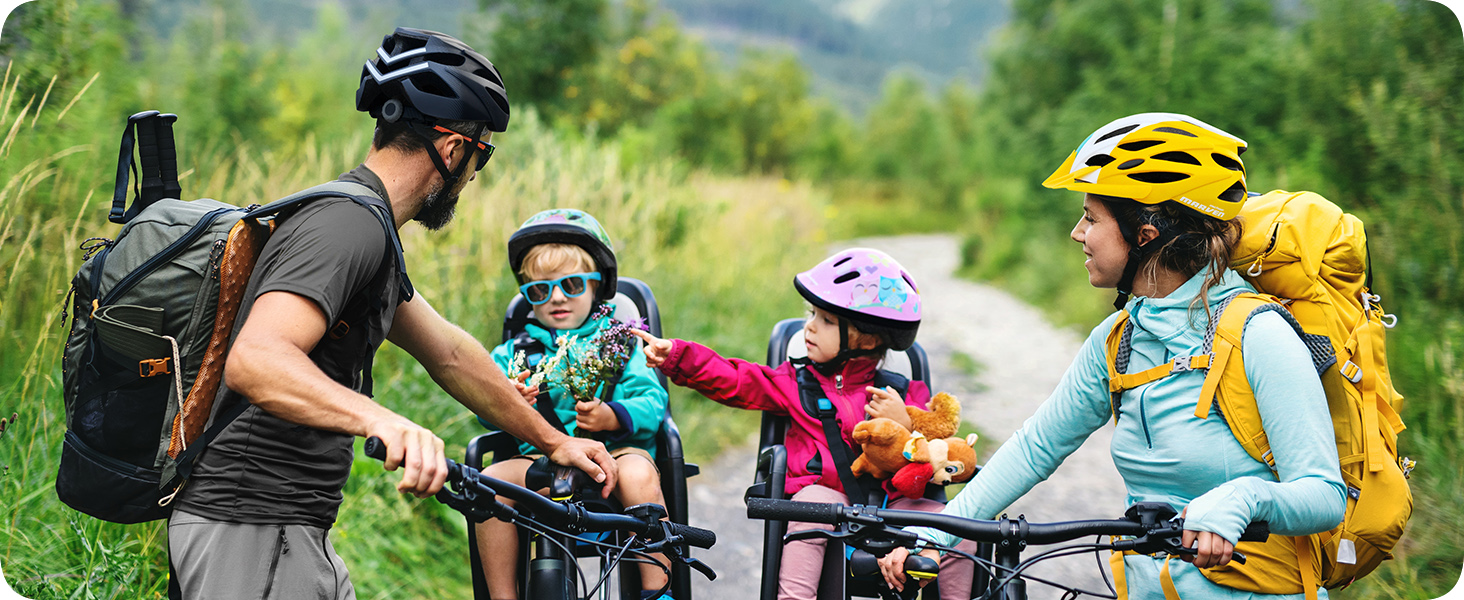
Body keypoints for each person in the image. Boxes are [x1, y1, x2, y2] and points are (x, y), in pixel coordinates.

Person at [166, 28, 617, 600]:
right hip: (252, 524)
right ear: (453, 150)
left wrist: (552, 440)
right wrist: (386, 421)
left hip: (285, 529)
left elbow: (449, 354)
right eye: (480, 159)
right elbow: (257, 360)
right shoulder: (347, 225)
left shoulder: (369, 228)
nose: (473, 178)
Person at [877, 113, 1346, 599]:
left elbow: (1323, 494)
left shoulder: (1258, 335)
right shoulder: (1119, 339)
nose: (1078, 233)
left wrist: (1244, 498)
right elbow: (1035, 447)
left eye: (1092, 218)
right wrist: (934, 535)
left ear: (1145, 233)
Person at [632, 248, 977, 600]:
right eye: (813, 314)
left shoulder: (904, 392)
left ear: (869, 338)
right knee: (811, 504)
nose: (809, 327)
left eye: (826, 320)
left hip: (898, 502)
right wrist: (677, 355)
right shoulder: (795, 383)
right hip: (827, 500)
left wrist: (904, 420)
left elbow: (938, 447)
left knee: (959, 525)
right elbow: (738, 379)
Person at [475, 208, 674, 600]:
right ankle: (502, 595)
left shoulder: (618, 341)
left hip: (615, 456)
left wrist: (610, 416)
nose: (557, 297)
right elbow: (483, 408)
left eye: (572, 284)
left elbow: (653, 403)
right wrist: (509, 401)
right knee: (490, 483)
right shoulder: (513, 352)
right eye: (540, 290)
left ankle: (657, 594)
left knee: (640, 476)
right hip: (539, 462)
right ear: (528, 296)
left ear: (597, 286)